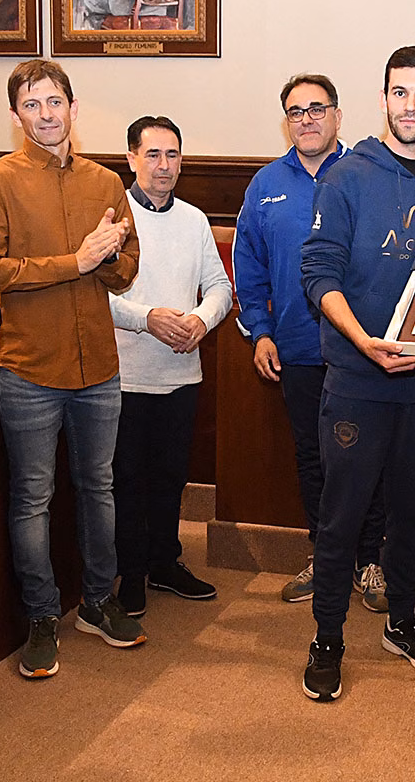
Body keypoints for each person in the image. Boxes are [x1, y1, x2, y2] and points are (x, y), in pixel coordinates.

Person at [298, 46, 415, 702]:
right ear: (384, 98)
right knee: (342, 517)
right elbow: (318, 275)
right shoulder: (346, 177)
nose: (410, 106)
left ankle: (401, 621)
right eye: (400, 92)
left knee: (410, 514)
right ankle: (327, 638)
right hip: (357, 378)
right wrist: (363, 340)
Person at [0, 59, 145, 680]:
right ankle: (42, 616)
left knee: (100, 489)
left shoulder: (103, 181)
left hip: (98, 366)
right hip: (29, 369)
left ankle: (98, 601)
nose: (46, 114)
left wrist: (103, 257)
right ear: (17, 114)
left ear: (73, 107)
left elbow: (125, 270)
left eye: (55, 101)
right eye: (32, 104)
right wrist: (75, 260)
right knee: (32, 498)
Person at [233, 73, 388, 611]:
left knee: (366, 457)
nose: (307, 119)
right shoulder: (264, 185)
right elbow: (248, 265)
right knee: (312, 457)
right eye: (296, 111)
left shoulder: (369, 176)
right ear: (286, 121)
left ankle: (369, 560)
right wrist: (260, 330)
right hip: (296, 348)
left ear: (338, 116)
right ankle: (324, 554)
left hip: (360, 349)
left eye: (317, 109)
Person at [110, 115, 232, 617]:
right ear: (132, 159)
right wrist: (147, 319)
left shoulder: (194, 219)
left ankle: (165, 561)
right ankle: (131, 572)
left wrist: (201, 321)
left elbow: (221, 287)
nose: (164, 166)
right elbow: (91, 296)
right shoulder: (110, 217)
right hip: (125, 375)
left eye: (173, 155)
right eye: (153, 155)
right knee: (127, 480)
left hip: (181, 374)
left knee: (171, 477)